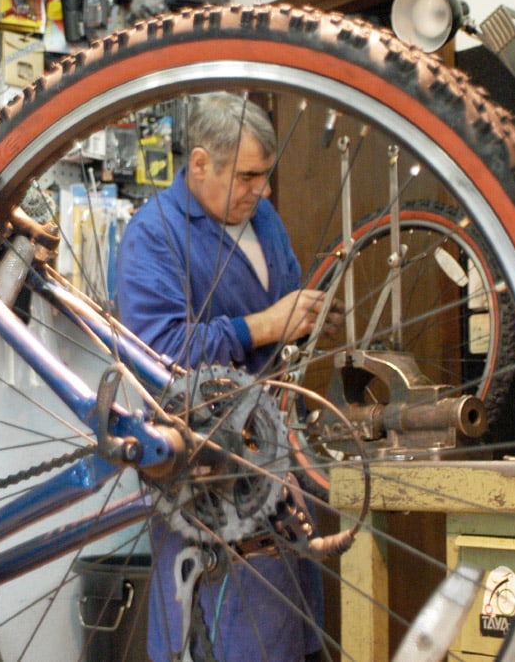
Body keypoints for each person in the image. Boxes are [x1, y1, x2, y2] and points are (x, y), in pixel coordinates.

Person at [115, 92, 337, 661]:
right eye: (247, 177)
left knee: (293, 637)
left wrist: (307, 318)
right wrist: (263, 326)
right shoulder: (153, 233)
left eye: (265, 177)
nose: (260, 191)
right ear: (198, 164)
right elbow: (159, 354)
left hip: (275, 458)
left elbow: (282, 313)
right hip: (207, 476)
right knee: (222, 639)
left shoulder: (262, 217)